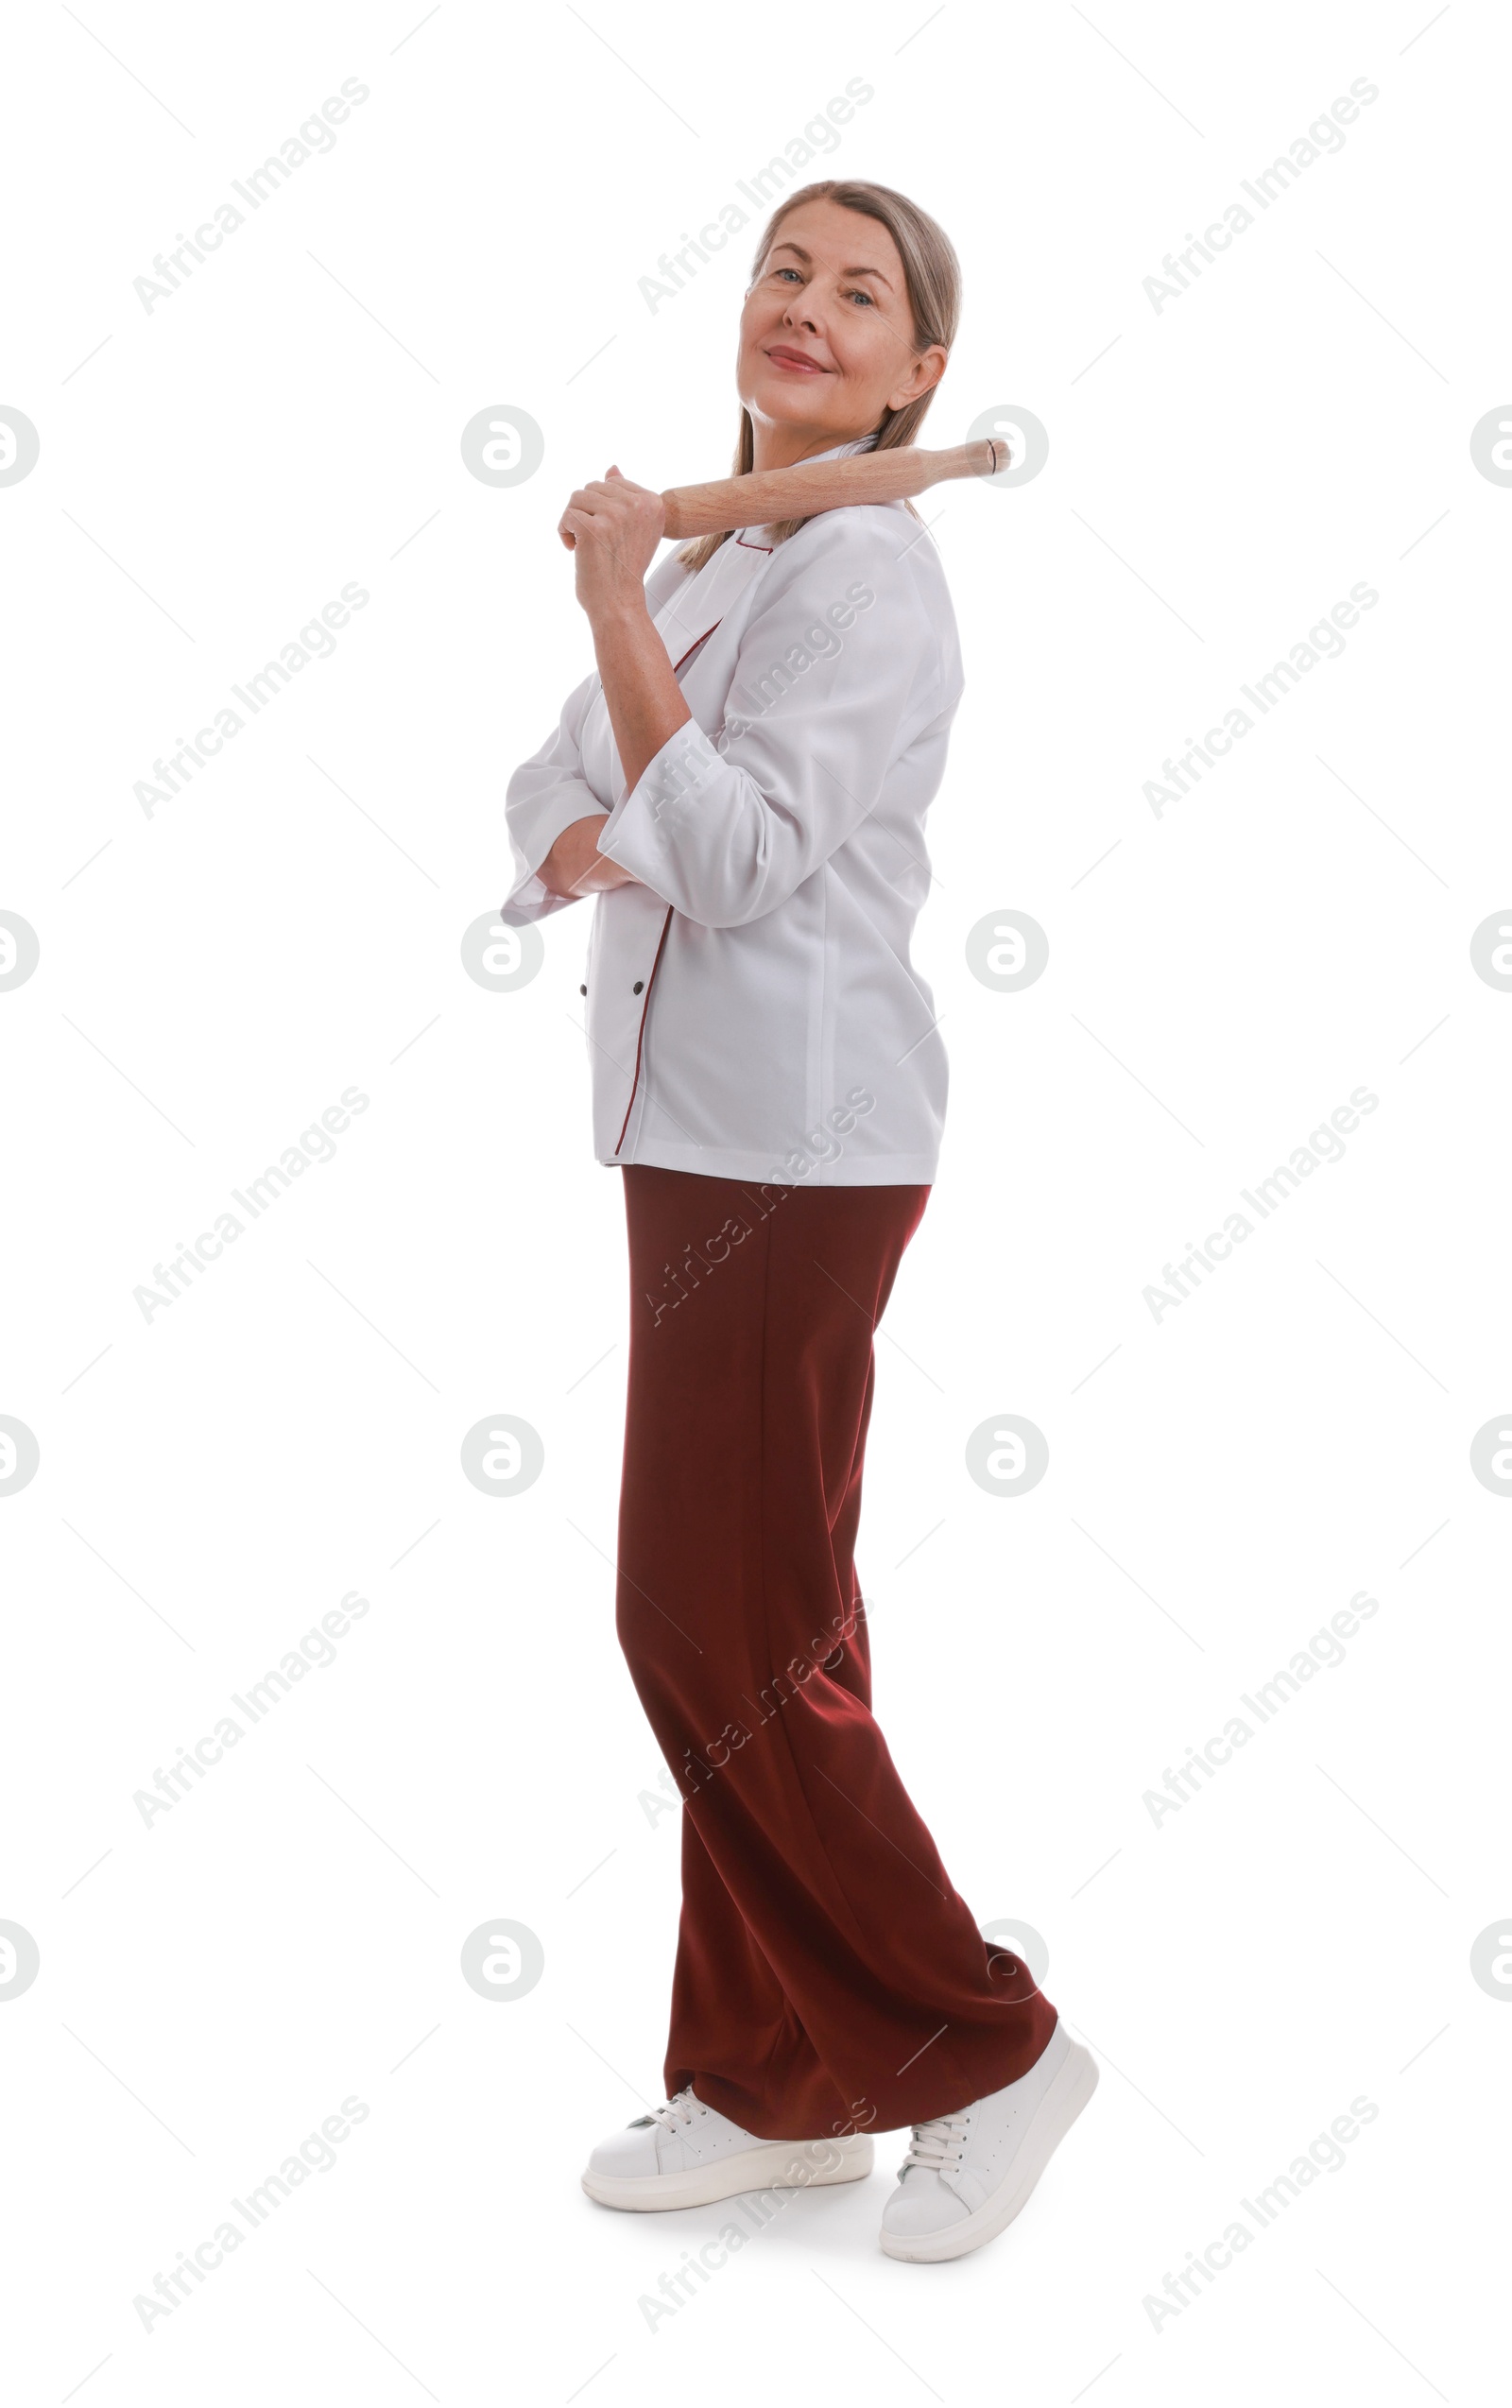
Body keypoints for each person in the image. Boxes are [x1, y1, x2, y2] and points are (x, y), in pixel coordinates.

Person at [500, 178, 1096, 2264]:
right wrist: (623, 765)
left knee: (715, 1628)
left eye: (861, 294)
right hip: (698, 1136)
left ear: (918, 368)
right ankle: (776, 2078)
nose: (806, 308)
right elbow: (547, 799)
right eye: (783, 269)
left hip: (794, 1149)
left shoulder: (860, 578)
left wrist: (610, 623)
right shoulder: (736, 560)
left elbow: (727, 858)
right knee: (763, 1621)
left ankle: (981, 2044)